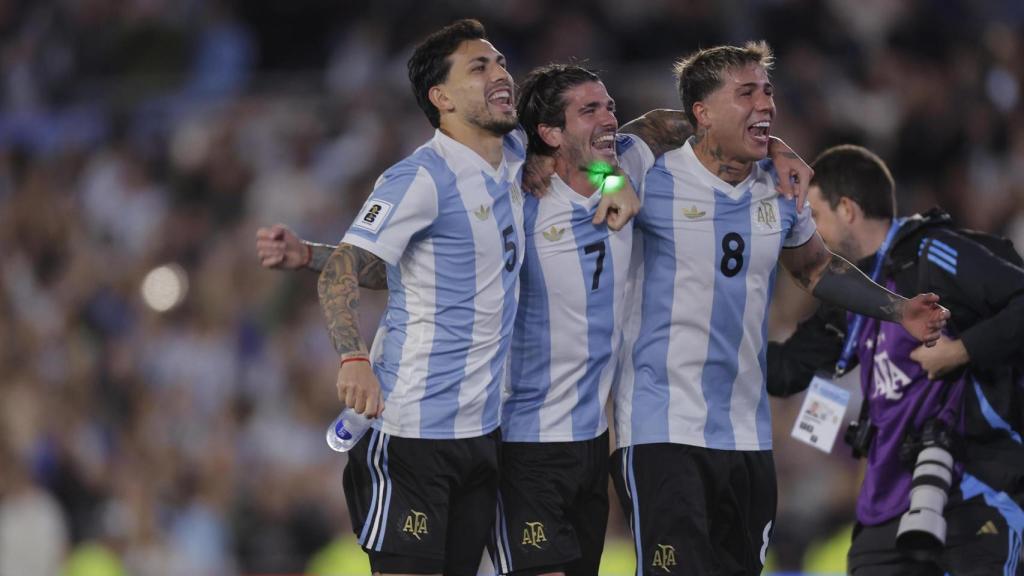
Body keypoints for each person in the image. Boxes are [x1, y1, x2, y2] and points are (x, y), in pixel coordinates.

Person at [258, 59, 816, 574]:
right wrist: (312, 255)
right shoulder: (519, 193)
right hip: (523, 442)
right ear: (549, 133)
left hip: (592, 443)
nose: (609, 119)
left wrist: (775, 148)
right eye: (590, 110)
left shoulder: (628, 163)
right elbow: (410, 265)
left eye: (609, 107)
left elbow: (681, 124)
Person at [610, 42, 949, 576]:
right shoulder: (650, 174)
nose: (765, 103)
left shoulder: (777, 189)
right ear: (702, 112)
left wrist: (897, 309)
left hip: (747, 435)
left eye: (767, 92)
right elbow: (600, 156)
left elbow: (815, 268)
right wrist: (612, 181)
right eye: (746, 93)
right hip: (663, 429)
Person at [767, 144, 1024, 575]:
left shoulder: (934, 254)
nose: (811, 234)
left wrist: (960, 350)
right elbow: (786, 370)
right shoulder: (849, 302)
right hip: (885, 513)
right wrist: (718, 339)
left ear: (847, 209)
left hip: (972, 492)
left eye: (816, 215)